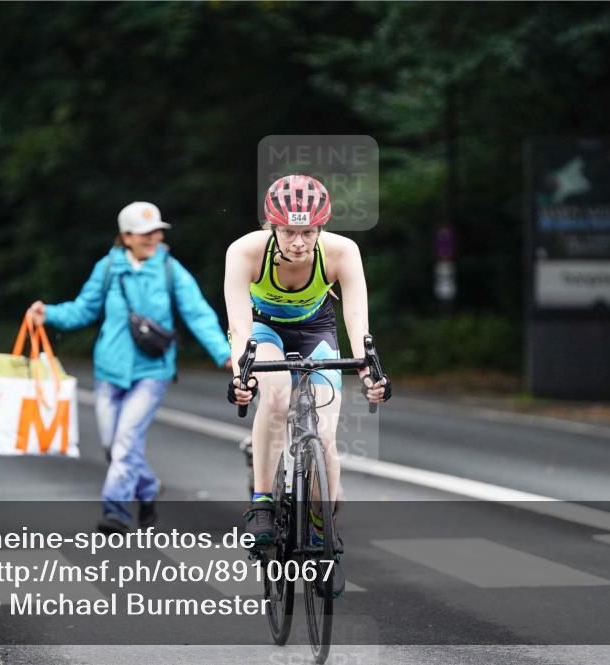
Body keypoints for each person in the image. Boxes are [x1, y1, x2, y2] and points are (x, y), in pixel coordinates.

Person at [224, 174, 391, 597]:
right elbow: (240, 326)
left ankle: (326, 541)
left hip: (318, 331)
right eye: (289, 231)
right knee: (277, 398)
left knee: (326, 437)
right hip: (265, 331)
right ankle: (262, 502)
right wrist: (240, 375)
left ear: (322, 228)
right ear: (272, 227)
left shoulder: (341, 252)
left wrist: (370, 369)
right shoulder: (244, 252)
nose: (299, 242)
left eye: (309, 232)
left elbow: (357, 322)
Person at [27, 201, 232, 534]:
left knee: (125, 441)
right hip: (109, 369)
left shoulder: (170, 270)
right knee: (112, 446)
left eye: (156, 232)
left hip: (153, 371)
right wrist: (48, 313)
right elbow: (83, 309)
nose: (152, 238)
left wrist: (224, 354)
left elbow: (198, 314)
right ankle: (148, 489)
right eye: (144, 233)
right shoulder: (107, 268)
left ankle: (116, 512)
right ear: (125, 236)